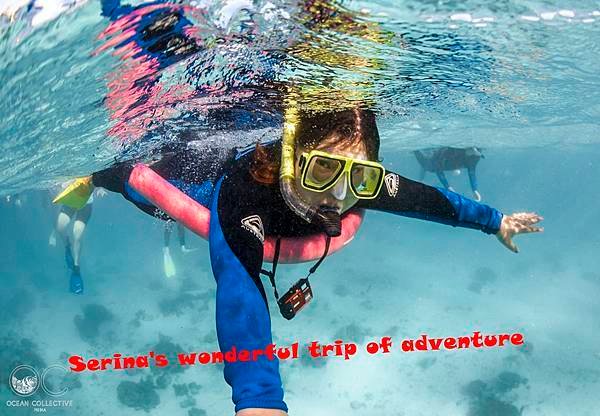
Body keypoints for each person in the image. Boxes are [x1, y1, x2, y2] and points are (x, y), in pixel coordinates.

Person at [54, 108, 543, 415]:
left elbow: (431, 201)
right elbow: (240, 288)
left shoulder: (356, 185)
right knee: (133, 182)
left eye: (359, 176)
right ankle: (94, 177)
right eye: (324, 169)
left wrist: (494, 221)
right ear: (290, 160)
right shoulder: (247, 192)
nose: (339, 194)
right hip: (183, 184)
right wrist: (261, 402)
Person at [51, 181, 105, 294]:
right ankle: (67, 246)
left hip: (86, 204)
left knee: (77, 234)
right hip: (71, 201)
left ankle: (76, 268)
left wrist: (100, 187)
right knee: (60, 227)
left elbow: (96, 177)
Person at [414, 146, 485, 201]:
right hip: (443, 157)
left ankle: (416, 151)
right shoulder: (449, 157)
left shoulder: (467, 159)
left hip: (448, 157)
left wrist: (474, 189)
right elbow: (438, 168)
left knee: (428, 166)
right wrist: (474, 189)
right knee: (428, 166)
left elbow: (471, 171)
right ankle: (415, 150)